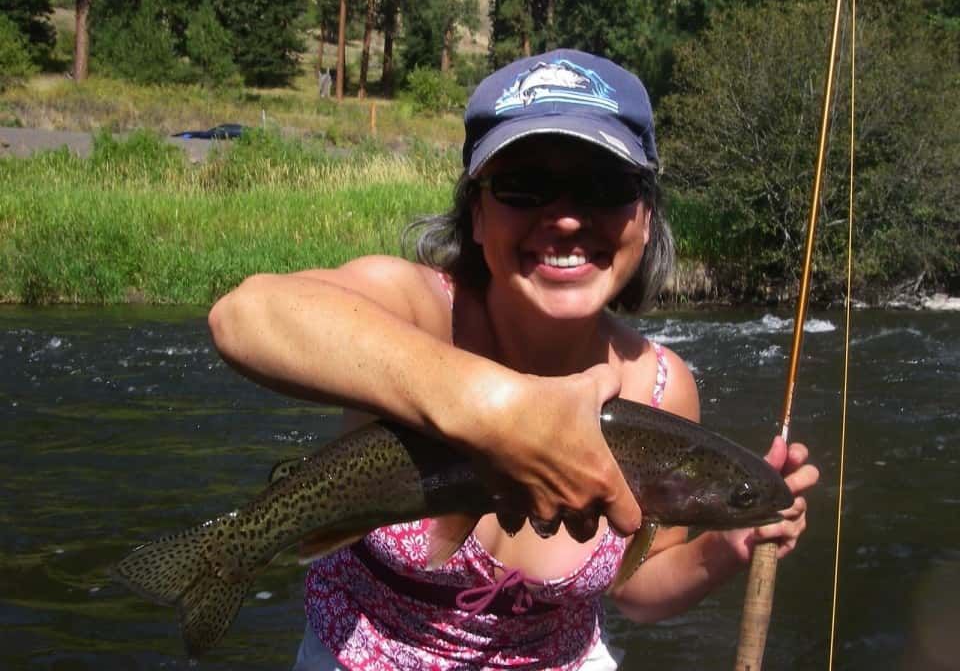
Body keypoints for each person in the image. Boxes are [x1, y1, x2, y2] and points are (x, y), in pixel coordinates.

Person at [208, 49, 819, 670]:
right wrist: (497, 410)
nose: (567, 218)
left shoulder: (662, 385)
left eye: (605, 187)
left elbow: (635, 589)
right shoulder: (412, 309)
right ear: (475, 213)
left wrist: (729, 546)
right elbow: (245, 317)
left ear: (646, 215)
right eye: (523, 187)